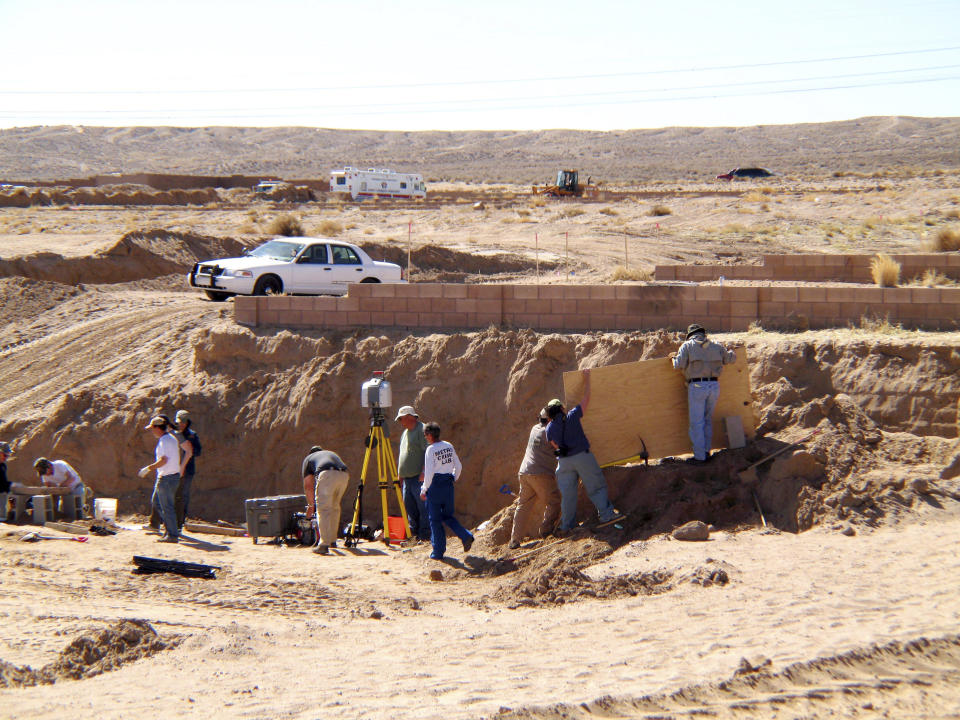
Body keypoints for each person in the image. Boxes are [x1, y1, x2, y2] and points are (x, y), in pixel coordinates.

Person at [545, 368, 622, 535]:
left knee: (569, 495)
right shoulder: (572, 416)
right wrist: (587, 379)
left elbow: (554, 445)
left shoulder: (549, 427)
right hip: (582, 457)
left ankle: (567, 525)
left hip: (564, 462)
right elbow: (586, 399)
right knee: (595, 485)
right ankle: (607, 515)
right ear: (562, 408)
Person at [672, 323, 737, 464]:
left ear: (690, 335)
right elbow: (731, 359)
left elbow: (678, 365)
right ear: (703, 334)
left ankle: (700, 457)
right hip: (714, 386)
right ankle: (707, 452)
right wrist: (732, 351)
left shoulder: (687, 346)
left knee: (697, 423)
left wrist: (672, 358)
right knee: (707, 420)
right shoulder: (716, 345)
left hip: (697, 386)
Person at [420, 422, 474, 561]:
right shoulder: (448, 445)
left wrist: (424, 489)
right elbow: (459, 465)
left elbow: (429, 472)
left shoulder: (431, 450)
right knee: (448, 516)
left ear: (430, 435)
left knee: (435, 519)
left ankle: (438, 552)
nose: (425, 437)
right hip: (448, 485)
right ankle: (465, 536)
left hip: (435, 486)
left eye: (425, 435)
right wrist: (453, 478)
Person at [509, 407, 561, 549]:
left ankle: (514, 539)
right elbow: (559, 449)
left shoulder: (534, 429)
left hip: (524, 472)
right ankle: (546, 530)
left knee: (523, 505)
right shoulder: (549, 431)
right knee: (554, 500)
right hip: (540, 473)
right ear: (550, 419)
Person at [139, 416, 181, 543]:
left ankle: (172, 534)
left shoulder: (165, 441)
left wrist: (149, 468)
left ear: (158, 428)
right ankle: (169, 530)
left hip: (166, 478)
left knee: (166, 506)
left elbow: (163, 460)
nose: (152, 431)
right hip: (171, 477)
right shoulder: (171, 439)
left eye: (153, 429)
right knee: (157, 502)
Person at [301, 445, 349, 555]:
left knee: (323, 509)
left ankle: (323, 544)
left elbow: (308, 485)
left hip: (327, 474)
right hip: (344, 475)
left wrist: (311, 505)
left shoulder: (308, 459)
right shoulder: (329, 453)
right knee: (335, 507)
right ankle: (332, 540)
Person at [395, 405, 429, 542]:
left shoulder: (422, 429)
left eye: (401, 419)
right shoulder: (405, 433)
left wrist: (424, 471)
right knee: (409, 507)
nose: (400, 422)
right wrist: (400, 475)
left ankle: (425, 536)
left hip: (418, 477)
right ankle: (414, 535)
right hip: (407, 479)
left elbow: (428, 452)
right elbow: (403, 455)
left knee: (423, 507)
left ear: (410, 417)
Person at [174, 409, 201, 530]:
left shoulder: (192, 435)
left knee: (183, 495)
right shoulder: (173, 434)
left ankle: (181, 520)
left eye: (184, 422)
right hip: (173, 469)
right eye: (180, 422)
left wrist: (189, 449)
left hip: (188, 470)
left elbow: (198, 451)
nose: (182, 424)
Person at [0, 441, 12, 522]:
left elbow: (3, 481)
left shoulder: (3, 466)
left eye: (8, 455)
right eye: (5, 455)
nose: (6, 457)